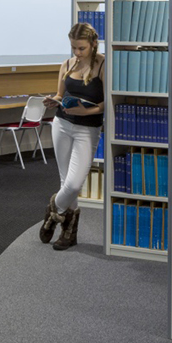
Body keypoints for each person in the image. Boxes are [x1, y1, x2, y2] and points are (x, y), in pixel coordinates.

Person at [40, 23, 104, 250]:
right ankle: (69, 232)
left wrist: (87, 111)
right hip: (61, 124)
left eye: (81, 48)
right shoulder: (66, 65)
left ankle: (52, 212)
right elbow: (60, 94)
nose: (77, 53)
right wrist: (52, 100)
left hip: (88, 128)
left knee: (74, 183)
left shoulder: (103, 65)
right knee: (64, 180)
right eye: (73, 48)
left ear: (93, 44)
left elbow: (108, 103)